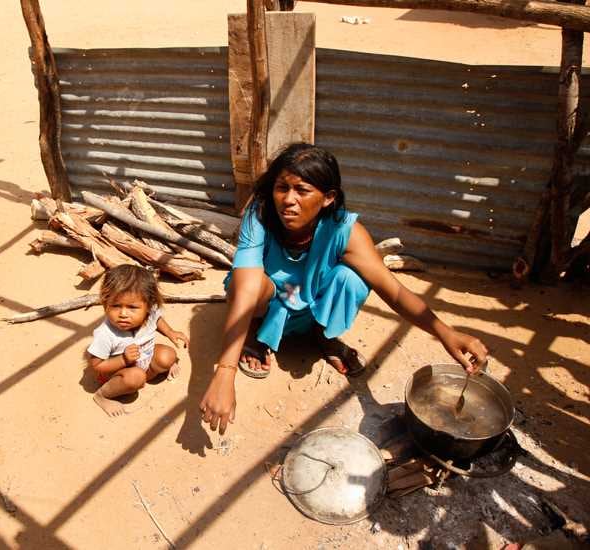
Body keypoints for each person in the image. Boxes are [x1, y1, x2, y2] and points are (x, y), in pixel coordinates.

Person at [200, 143, 488, 434]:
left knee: (353, 278)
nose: (288, 200)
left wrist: (446, 333)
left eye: (302, 190)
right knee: (244, 280)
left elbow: (395, 292)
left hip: (308, 302)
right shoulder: (260, 215)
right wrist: (226, 372)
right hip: (267, 301)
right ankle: (256, 335)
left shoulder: (344, 231)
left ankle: (322, 334)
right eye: (282, 187)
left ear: (328, 198)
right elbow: (248, 288)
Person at [87, 265, 189, 417]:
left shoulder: (151, 313)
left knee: (168, 356)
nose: (123, 313)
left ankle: (149, 373)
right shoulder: (105, 333)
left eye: (132, 307)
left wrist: (170, 332)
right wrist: (123, 359)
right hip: (117, 374)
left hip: (144, 364)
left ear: (148, 306)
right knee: (135, 378)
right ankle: (102, 396)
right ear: (105, 302)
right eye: (115, 306)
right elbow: (97, 365)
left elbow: (157, 319)